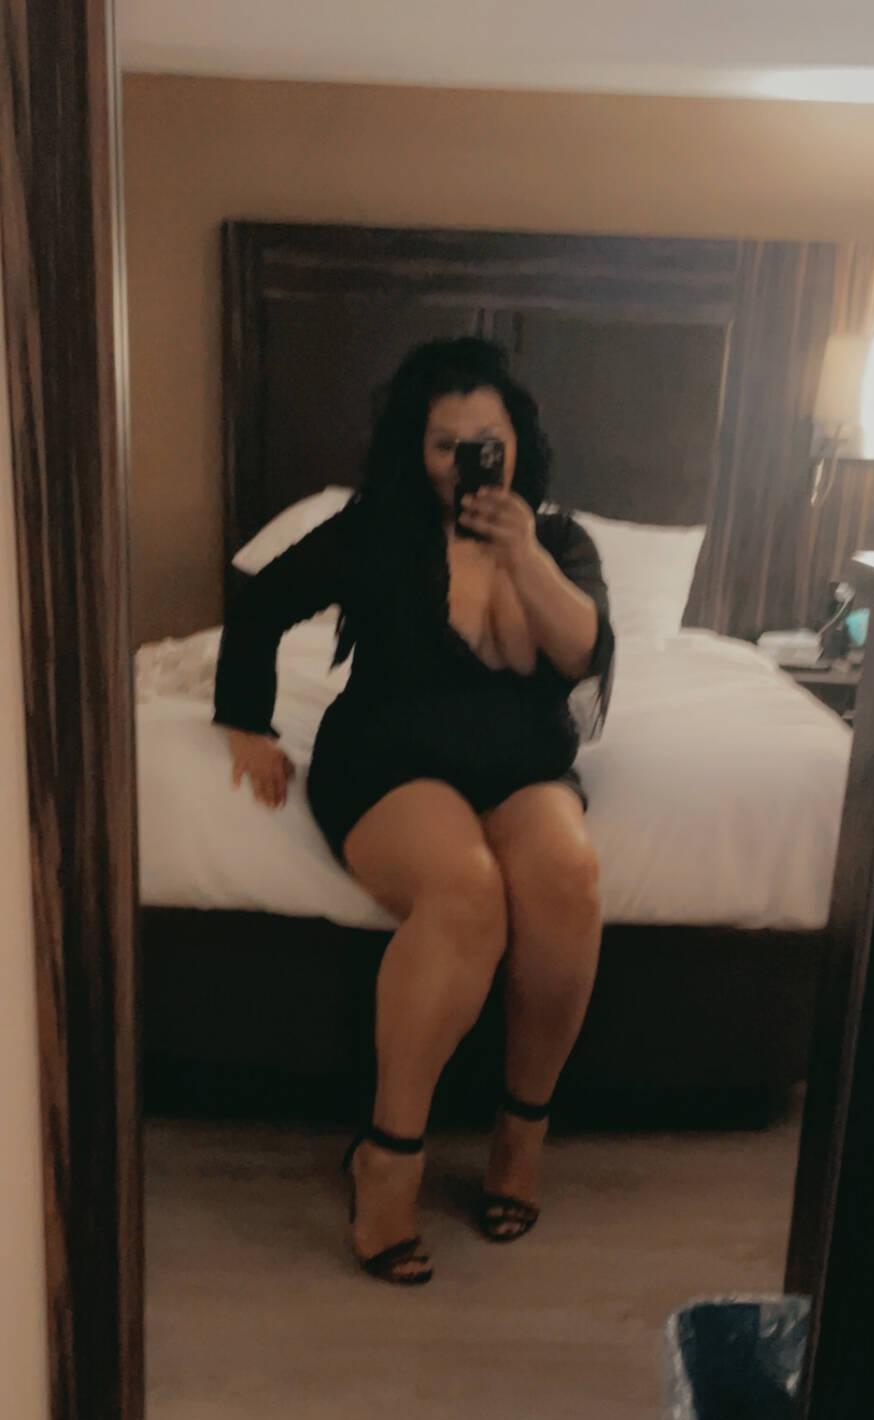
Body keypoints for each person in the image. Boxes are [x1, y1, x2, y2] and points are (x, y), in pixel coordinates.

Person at [213, 337, 614, 1286]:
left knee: (568, 873)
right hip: (391, 761)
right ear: (416, 449)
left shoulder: (559, 542)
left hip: (523, 768)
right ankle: (387, 1156)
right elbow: (262, 603)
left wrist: (521, 554)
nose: (468, 460)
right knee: (466, 891)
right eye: (445, 444)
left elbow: (582, 654)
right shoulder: (376, 530)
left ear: (517, 441)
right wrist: (244, 724)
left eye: (486, 440)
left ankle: (520, 1136)